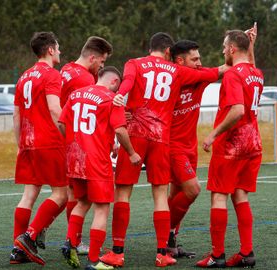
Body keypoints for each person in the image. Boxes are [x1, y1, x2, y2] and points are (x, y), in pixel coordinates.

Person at [100, 32, 226, 268]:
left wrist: (120, 96)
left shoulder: (134, 63)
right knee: (160, 194)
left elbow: (127, 82)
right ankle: (162, 254)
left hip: (137, 134)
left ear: (151, 47)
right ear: (169, 52)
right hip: (161, 138)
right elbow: (216, 71)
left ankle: (117, 252)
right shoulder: (176, 71)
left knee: (123, 193)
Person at [58, 66, 141, 270]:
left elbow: (61, 123)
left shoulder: (76, 94)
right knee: (102, 208)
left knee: (82, 201)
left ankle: (70, 242)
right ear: (114, 82)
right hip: (96, 161)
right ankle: (95, 260)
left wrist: (77, 142)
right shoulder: (112, 99)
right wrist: (131, 153)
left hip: (75, 158)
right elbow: (120, 131)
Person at [196, 24, 262, 268]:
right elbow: (250, 67)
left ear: (232, 49)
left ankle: (217, 255)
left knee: (219, 197)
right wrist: (251, 44)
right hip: (252, 143)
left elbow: (237, 110)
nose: (223, 50)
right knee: (241, 195)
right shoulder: (257, 73)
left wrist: (213, 134)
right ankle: (246, 252)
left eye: (225, 47)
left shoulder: (233, 74)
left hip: (232, 145)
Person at [11, 32, 67, 266]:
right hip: (49, 142)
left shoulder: (24, 76)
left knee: (29, 195)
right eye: (58, 47)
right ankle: (30, 236)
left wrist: (20, 144)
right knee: (62, 194)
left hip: (29, 142)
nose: (61, 52)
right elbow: (55, 109)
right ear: (51, 50)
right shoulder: (51, 75)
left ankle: (17, 250)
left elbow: (16, 115)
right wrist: (70, 135)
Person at [166, 39, 220, 259]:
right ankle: (164, 232)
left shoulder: (199, 79)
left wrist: (247, 46)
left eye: (200, 58)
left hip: (190, 147)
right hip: (172, 147)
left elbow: (223, 69)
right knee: (193, 190)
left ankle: (170, 243)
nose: (200, 62)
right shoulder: (170, 77)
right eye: (195, 59)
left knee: (177, 193)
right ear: (180, 60)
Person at [60, 36, 113, 255]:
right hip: (88, 150)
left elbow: (63, 118)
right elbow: (112, 127)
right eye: (101, 62)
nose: (101, 66)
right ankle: (89, 253)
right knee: (98, 205)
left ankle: (71, 242)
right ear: (92, 57)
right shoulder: (87, 82)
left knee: (76, 198)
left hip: (71, 147)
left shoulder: (67, 69)